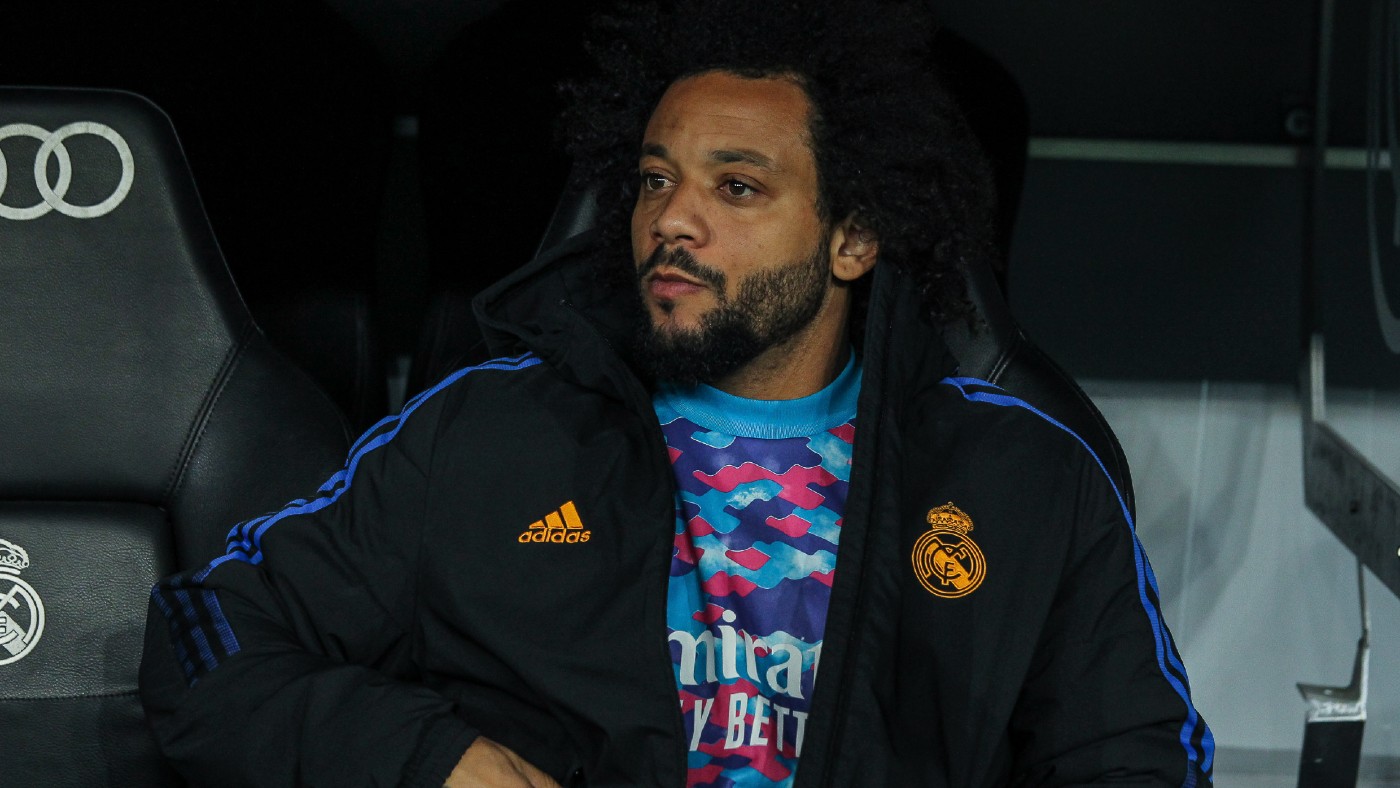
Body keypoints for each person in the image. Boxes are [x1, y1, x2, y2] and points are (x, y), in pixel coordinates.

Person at [140, 0, 1215, 785]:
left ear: (851, 238)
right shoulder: (489, 432)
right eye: (655, 179)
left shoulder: (1024, 480)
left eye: (736, 187)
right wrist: (428, 757)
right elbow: (208, 633)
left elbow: (1137, 757)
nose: (671, 220)